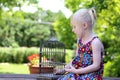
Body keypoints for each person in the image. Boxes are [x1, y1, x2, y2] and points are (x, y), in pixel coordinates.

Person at [57, 7, 104, 80]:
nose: (73, 30)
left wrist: (77, 71)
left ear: (84, 25)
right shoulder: (80, 40)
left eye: (74, 27)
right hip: (79, 73)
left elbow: (96, 66)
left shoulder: (95, 42)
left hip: (91, 75)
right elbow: (77, 59)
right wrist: (64, 69)